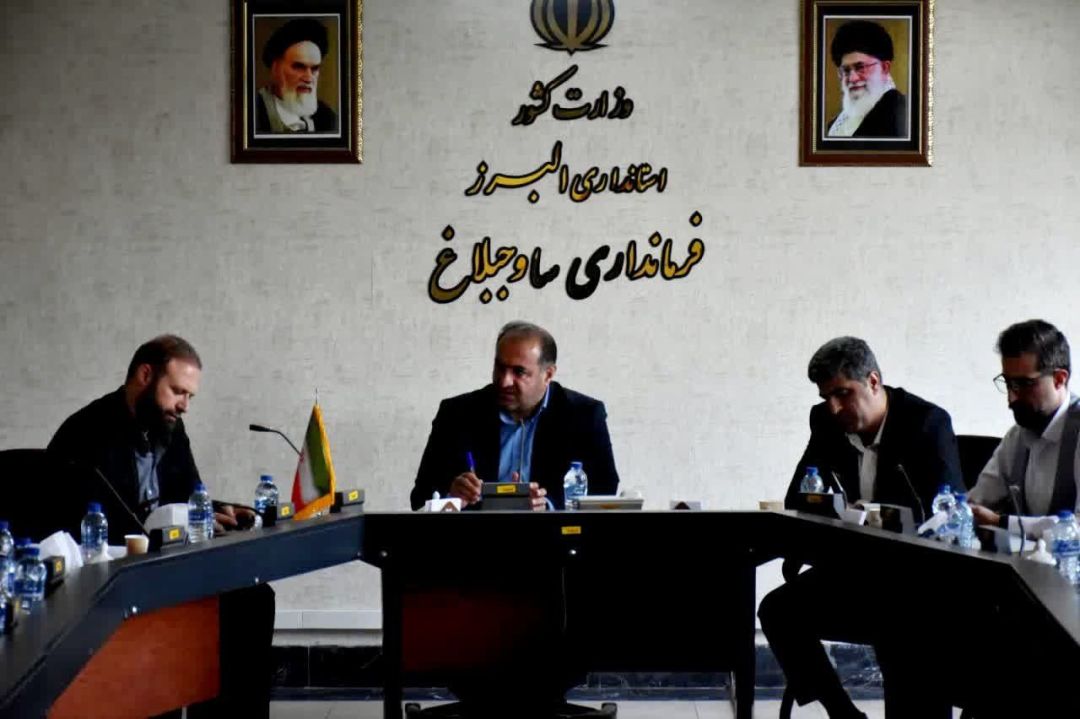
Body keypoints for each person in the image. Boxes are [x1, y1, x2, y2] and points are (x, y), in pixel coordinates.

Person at [47, 335, 274, 719]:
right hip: (112, 573)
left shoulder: (170, 427)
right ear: (145, 375)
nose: (184, 405)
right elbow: (94, 522)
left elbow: (188, 494)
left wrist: (219, 511)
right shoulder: (88, 432)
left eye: (190, 397)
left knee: (252, 599)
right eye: (177, 392)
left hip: (165, 562)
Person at [760, 336, 961, 719]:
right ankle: (844, 716)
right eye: (826, 397)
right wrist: (839, 510)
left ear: (873, 381)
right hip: (858, 572)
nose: (834, 407)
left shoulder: (926, 423)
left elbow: (948, 515)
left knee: (900, 626)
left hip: (916, 581)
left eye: (843, 393)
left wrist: (873, 513)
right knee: (778, 611)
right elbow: (798, 497)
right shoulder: (827, 422)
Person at [411, 321, 620, 511]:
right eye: (500, 368)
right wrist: (451, 498)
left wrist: (547, 508)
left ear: (548, 374)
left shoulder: (584, 415)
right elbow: (420, 498)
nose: (504, 382)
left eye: (519, 372)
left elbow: (605, 494)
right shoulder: (457, 414)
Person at [969, 319, 1080, 536]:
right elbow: (977, 502)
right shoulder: (1018, 436)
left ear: (1059, 379)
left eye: (1024, 384)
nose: (1011, 398)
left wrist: (1002, 523)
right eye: (1008, 383)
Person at [826, 20, 907, 138]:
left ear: (884, 68)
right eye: (846, 70)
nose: (852, 78)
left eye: (860, 67)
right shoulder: (835, 125)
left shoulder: (904, 113)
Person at [255, 17, 338, 134]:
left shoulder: (328, 118)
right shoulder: (254, 112)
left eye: (314, 69)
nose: (308, 78)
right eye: (299, 67)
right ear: (275, 69)